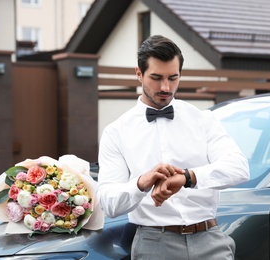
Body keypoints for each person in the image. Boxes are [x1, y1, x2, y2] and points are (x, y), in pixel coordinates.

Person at [96, 35, 250, 259]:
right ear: (139, 74)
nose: (166, 87)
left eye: (173, 78)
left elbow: (239, 167)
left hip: (210, 240)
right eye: (156, 78)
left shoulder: (202, 120)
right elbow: (109, 203)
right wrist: (141, 183)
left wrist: (188, 177)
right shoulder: (116, 132)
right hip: (153, 244)